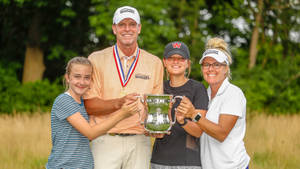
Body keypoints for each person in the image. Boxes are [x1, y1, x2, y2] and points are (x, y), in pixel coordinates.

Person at [83, 6, 164, 169]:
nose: (127, 29)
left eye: (132, 24)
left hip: (139, 142)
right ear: (114, 29)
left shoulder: (154, 62)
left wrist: (158, 126)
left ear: (139, 28)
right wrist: (120, 103)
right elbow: (89, 105)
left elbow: (157, 107)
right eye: (122, 24)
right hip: (105, 140)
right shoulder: (96, 59)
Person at [46, 57, 139, 169]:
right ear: (67, 78)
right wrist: (122, 114)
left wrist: (123, 101)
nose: (82, 82)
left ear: (91, 81)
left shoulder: (81, 103)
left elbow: (83, 137)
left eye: (87, 78)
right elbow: (90, 133)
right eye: (77, 76)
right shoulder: (64, 101)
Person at [178, 37, 250, 169]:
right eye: (206, 64)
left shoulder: (233, 94)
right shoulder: (204, 94)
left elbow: (221, 133)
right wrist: (182, 120)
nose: (210, 69)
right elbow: (199, 131)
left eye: (216, 64)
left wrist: (194, 114)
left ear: (226, 68)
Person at [150, 41, 209, 169]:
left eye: (181, 58)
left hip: (187, 162)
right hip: (159, 160)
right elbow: (151, 123)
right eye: (171, 58)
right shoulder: (158, 87)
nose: (176, 62)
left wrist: (182, 121)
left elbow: (199, 131)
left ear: (188, 63)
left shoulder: (198, 89)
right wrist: (153, 130)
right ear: (164, 62)